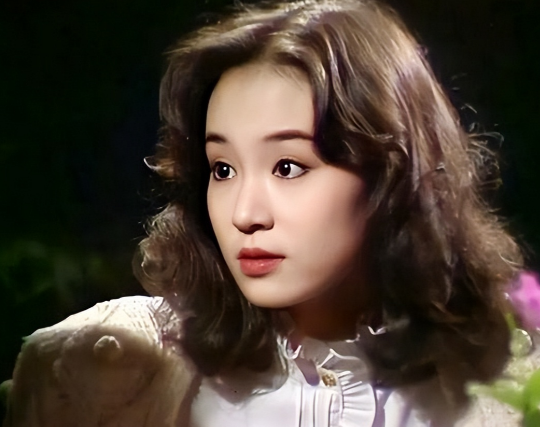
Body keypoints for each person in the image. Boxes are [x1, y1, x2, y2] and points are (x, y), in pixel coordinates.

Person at [3, 0, 535, 426]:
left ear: (392, 172)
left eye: (287, 166)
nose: (245, 214)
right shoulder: (96, 367)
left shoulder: (514, 388)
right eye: (223, 169)